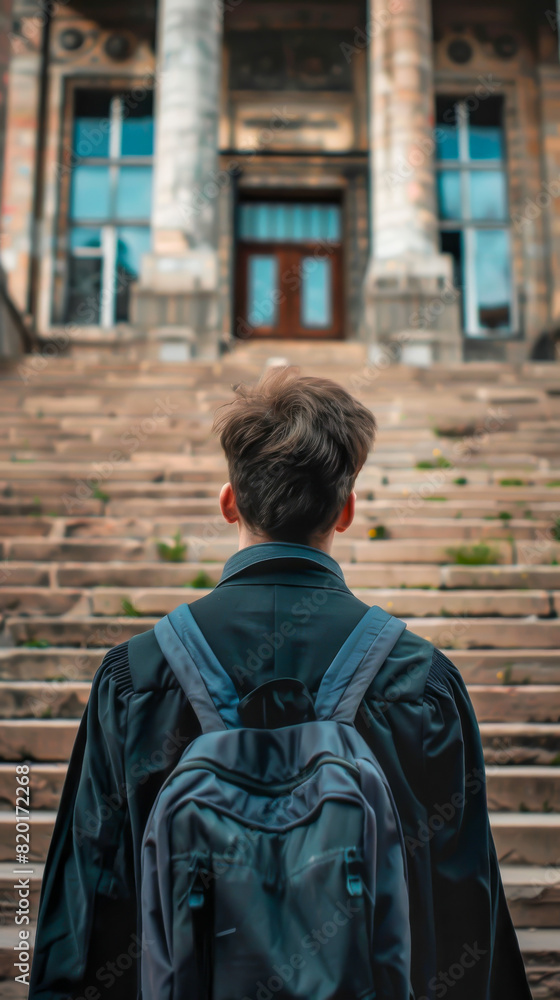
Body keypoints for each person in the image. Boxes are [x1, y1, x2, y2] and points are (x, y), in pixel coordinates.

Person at [28, 366, 532, 1000]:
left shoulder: (135, 679)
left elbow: (83, 910)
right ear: (346, 510)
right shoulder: (422, 682)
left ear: (229, 502)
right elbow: (467, 920)